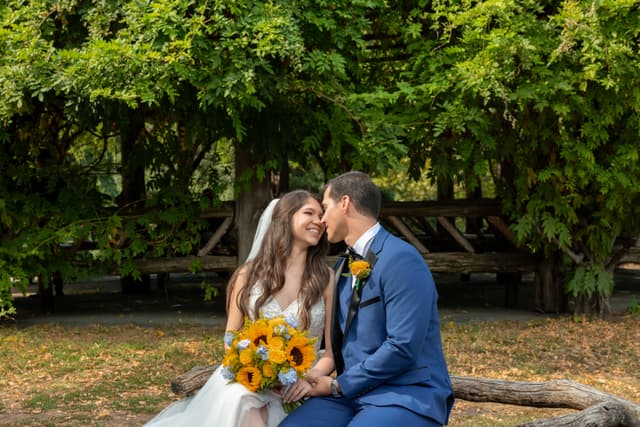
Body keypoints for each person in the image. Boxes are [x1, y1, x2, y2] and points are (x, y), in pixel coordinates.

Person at [144, 190, 336, 427]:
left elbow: (329, 353)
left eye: (321, 215)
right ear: (285, 217)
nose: (319, 221)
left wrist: (309, 379)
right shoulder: (248, 275)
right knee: (242, 402)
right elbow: (230, 338)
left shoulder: (326, 278)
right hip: (250, 379)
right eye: (310, 213)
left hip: (300, 385)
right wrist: (258, 374)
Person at [280, 171, 454, 427]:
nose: (323, 219)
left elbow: (402, 347)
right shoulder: (342, 266)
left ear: (345, 203)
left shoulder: (402, 259)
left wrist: (339, 384)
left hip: (405, 394)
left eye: (326, 208)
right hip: (352, 395)